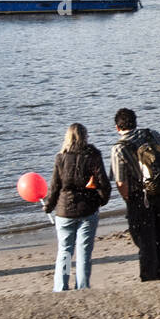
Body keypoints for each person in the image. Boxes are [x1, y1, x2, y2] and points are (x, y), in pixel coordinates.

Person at [42, 123, 111, 291]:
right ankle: (82, 287)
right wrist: (101, 201)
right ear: (85, 136)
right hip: (88, 210)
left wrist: (48, 206)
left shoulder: (61, 157)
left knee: (64, 252)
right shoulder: (93, 155)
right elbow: (104, 184)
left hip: (64, 211)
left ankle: (61, 287)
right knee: (84, 253)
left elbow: (55, 187)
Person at [111, 107, 160, 282]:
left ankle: (149, 276)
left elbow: (121, 182)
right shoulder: (152, 134)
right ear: (135, 122)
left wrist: (128, 200)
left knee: (144, 238)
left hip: (139, 197)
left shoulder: (118, 149)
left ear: (118, 128)